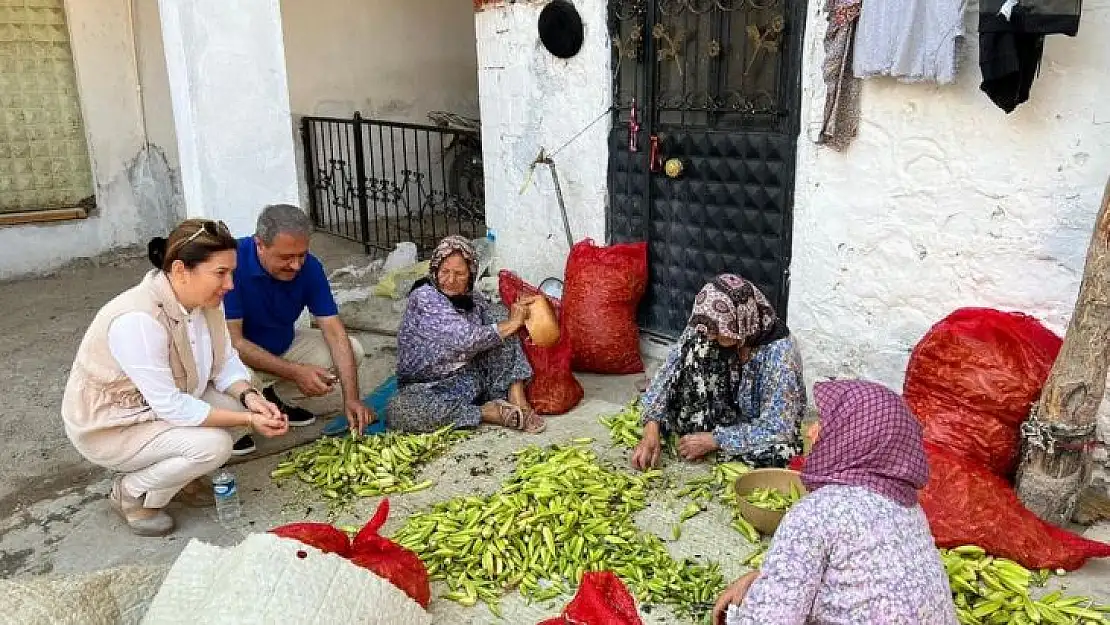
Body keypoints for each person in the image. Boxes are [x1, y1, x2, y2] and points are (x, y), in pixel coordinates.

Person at [61, 219, 290, 537]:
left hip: (165, 404)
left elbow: (225, 364)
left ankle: (179, 478)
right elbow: (170, 406)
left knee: (245, 403)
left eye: (231, 273)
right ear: (181, 270)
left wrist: (250, 399)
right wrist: (250, 420)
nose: (230, 285)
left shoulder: (206, 302)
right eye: (220, 273)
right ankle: (131, 494)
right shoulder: (139, 320)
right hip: (114, 425)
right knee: (215, 445)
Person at [712, 380, 958, 625]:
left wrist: (736, 615)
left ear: (851, 437)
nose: (810, 431)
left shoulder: (817, 512)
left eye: (825, 424)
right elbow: (860, 585)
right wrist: (763, 580)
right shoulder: (910, 511)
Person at [223, 204, 373, 454]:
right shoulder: (232, 264)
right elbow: (235, 343)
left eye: (301, 255)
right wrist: (296, 372)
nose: (296, 265)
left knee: (351, 349)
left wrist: (352, 398)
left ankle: (274, 398)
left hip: (281, 344)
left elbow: (334, 332)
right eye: (285, 258)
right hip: (234, 360)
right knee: (235, 404)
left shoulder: (310, 267)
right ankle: (241, 418)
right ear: (260, 244)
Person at [631, 275, 805, 471]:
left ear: (741, 322)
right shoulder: (708, 323)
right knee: (696, 348)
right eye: (708, 330)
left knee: (782, 453)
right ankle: (698, 437)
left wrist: (716, 440)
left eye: (718, 331)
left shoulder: (781, 353)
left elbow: (779, 428)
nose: (710, 335)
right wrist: (651, 428)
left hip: (755, 427)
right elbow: (667, 374)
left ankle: (712, 445)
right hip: (722, 413)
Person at [386, 235, 545, 434]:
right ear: (435, 269)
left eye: (459, 274)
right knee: (399, 410)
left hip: (469, 379)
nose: (450, 280)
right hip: (428, 388)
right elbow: (466, 339)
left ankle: (516, 396)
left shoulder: (471, 297)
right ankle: (485, 412)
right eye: (444, 272)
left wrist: (514, 316)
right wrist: (513, 322)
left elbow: (494, 326)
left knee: (498, 315)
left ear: (471, 275)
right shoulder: (424, 296)